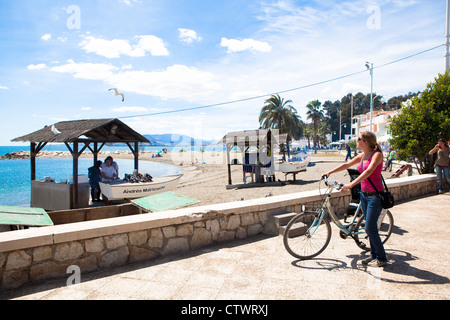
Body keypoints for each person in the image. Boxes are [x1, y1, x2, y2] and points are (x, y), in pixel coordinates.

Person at [324, 131, 388, 267]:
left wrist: (350, 185)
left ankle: (382, 258)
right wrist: (330, 172)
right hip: (364, 195)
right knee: (369, 228)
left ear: (365, 142)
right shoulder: (364, 155)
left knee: (370, 228)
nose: (356, 141)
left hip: (375, 197)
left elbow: (368, 172)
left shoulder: (377, 155)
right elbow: (346, 165)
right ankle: (373, 256)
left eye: (358, 139)